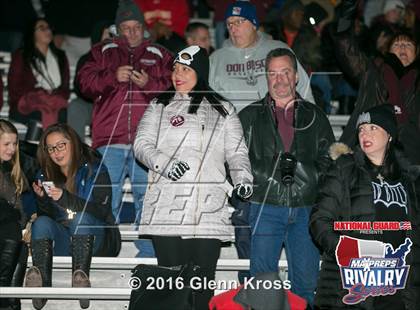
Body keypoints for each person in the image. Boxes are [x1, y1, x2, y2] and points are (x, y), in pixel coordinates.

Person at [133, 45, 253, 309]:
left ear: (200, 72)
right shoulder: (159, 105)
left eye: (185, 69)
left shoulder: (223, 109)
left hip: (207, 208)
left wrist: (243, 179)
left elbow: (236, 152)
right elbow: (141, 145)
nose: (178, 74)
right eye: (175, 69)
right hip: (167, 207)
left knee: (201, 283)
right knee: (172, 283)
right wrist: (164, 163)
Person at [239, 48, 335, 305]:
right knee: (262, 284)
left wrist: (301, 172)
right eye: (272, 73)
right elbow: (235, 162)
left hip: (306, 208)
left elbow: (330, 163)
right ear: (265, 77)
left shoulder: (316, 116)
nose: (279, 79)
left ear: (296, 78)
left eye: (285, 72)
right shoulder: (248, 116)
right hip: (264, 206)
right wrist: (271, 174)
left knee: (305, 284)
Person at [77, 0, 173, 257]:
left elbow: (176, 89)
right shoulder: (102, 51)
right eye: (125, 27)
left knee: (148, 199)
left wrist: (149, 83)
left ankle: (148, 255)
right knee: (107, 199)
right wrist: (112, 77)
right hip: (110, 138)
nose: (131, 32)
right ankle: (105, 250)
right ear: (118, 28)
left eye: (136, 27)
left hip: (148, 141)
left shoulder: (160, 53)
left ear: (143, 27)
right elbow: (83, 83)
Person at [310, 104, 420, 309]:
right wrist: (346, 249)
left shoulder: (411, 178)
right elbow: (320, 220)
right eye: (361, 129)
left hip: (398, 283)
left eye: (372, 128)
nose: (364, 133)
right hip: (352, 282)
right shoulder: (343, 169)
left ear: (389, 135)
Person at [24, 123, 115, 310]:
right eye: (50, 148)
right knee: (40, 223)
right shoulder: (45, 174)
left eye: (61, 145)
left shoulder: (94, 168)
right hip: (66, 238)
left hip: (96, 237)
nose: (56, 152)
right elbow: (49, 218)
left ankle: (81, 280)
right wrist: (42, 200)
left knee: (80, 219)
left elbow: (101, 210)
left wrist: (65, 198)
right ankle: (41, 285)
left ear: (73, 143)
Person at [336, 0, 420, 166]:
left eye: (408, 44)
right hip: (368, 149)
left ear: (417, 53)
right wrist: (345, 18)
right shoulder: (372, 72)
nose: (402, 47)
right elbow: (347, 50)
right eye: (397, 44)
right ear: (387, 51)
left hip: (411, 154)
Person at [7, 18, 70, 129]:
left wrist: (51, 96)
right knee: (44, 113)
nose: (48, 31)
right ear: (32, 33)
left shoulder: (61, 56)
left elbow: (65, 88)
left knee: (66, 114)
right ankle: (45, 144)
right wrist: (39, 94)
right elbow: (14, 87)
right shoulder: (22, 55)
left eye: (49, 28)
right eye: (42, 28)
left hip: (54, 103)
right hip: (26, 105)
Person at [67, 20, 113, 140]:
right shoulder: (87, 59)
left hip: (115, 105)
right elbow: (79, 87)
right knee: (76, 106)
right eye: (107, 34)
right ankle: (78, 152)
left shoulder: (122, 58)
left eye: (113, 34)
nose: (110, 38)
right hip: (91, 104)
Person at [0, 120, 29, 310]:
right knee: (12, 228)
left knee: (21, 242)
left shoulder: (12, 170)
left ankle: (10, 302)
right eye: (6, 144)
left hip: (11, 233)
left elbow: (25, 205)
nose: (12, 149)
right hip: (7, 230)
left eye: (15, 143)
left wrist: (28, 223)